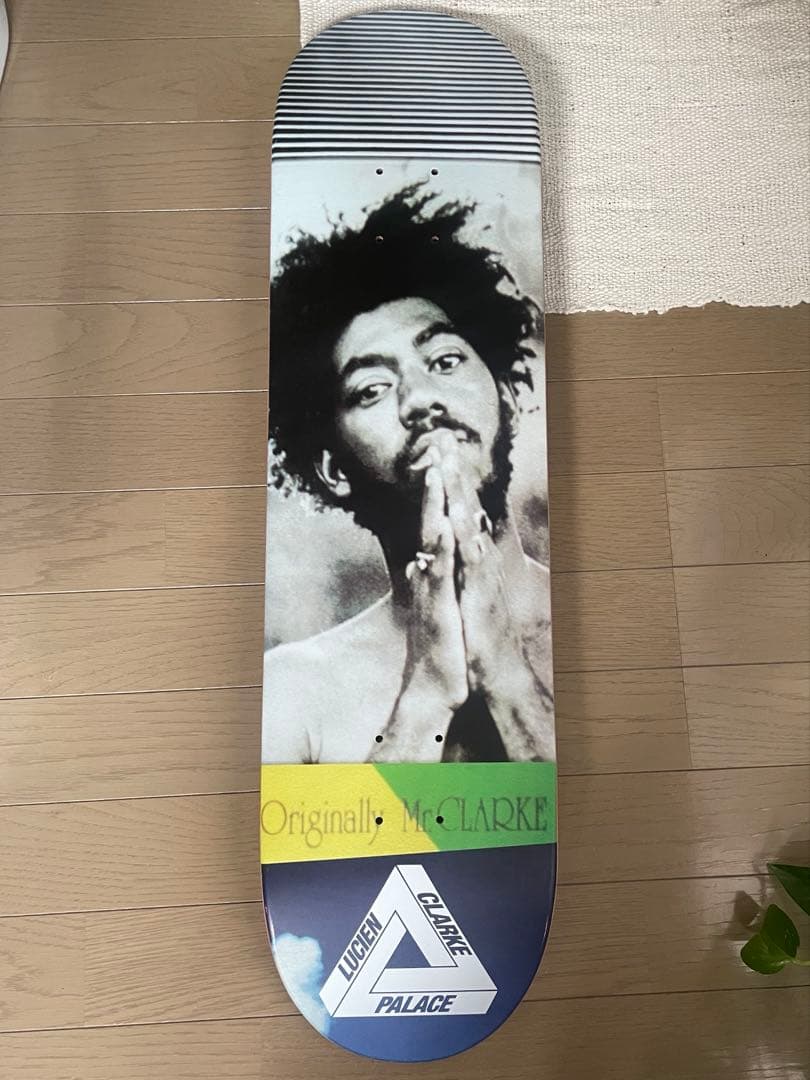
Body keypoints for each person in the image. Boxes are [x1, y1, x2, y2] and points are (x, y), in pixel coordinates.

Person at [263, 184, 553, 764]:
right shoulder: (293, 691)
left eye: (444, 360)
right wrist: (426, 692)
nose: (419, 399)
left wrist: (506, 674)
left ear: (505, 397)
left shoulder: (612, 627)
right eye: (372, 389)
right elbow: (329, 833)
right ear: (332, 469)